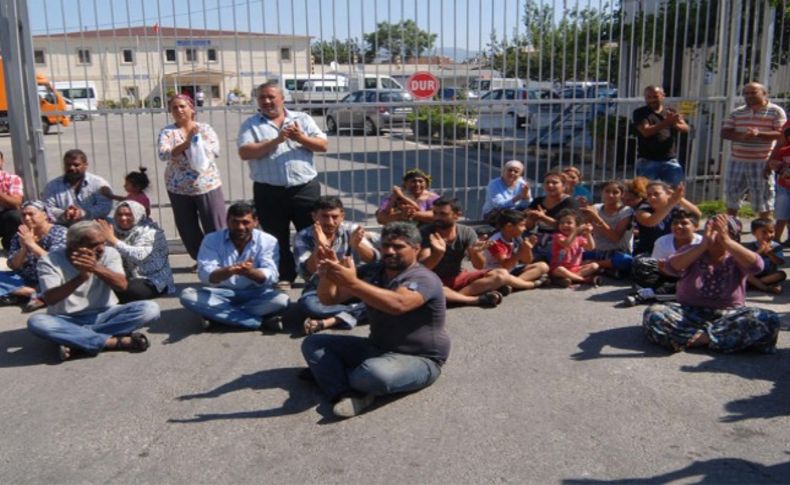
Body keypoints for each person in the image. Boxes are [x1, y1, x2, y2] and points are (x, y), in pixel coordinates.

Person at [301, 222, 449, 419]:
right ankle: (346, 392)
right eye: (386, 245)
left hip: (420, 358)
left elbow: (399, 305)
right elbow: (329, 299)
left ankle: (336, 376)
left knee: (373, 374)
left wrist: (352, 282)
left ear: (416, 249)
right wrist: (328, 272)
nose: (389, 251)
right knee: (314, 343)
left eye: (398, 246)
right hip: (377, 348)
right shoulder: (374, 272)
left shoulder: (423, 277)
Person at [642, 214, 780, 353]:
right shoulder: (692, 250)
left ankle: (702, 338)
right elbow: (672, 267)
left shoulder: (737, 254)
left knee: (768, 319)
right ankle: (724, 338)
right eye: (711, 230)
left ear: (733, 235)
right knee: (654, 313)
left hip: (729, 315)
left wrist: (726, 241)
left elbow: (756, 266)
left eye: (721, 231)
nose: (715, 235)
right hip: (688, 312)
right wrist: (702, 246)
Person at [26, 221, 161, 361]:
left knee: (150, 309)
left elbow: (121, 286)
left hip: (106, 313)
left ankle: (77, 341)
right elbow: (50, 299)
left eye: (103, 242)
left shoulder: (109, 253)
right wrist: (81, 278)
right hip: (66, 319)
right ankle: (112, 342)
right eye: (94, 245)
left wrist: (96, 268)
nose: (101, 248)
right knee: (37, 322)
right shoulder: (49, 260)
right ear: (74, 246)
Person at [237, 81, 328, 288]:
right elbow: (245, 152)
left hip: (304, 188)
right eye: (262, 98)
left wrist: (300, 137)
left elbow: (323, 145)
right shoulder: (251, 124)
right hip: (268, 191)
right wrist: (276, 141)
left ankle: (314, 275)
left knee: (311, 234)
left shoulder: (302, 119)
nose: (267, 101)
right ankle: (284, 275)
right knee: (275, 236)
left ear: (282, 98)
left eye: (271, 97)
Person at [179, 202, 290, 331]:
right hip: (220, 293)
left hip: (256, 293)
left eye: (245, 222)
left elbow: (271, 276)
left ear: (255, 222)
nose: (240, 227)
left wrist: (249, 272)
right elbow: (205, 275)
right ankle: (258, 321)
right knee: (187, 296)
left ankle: (217, 316)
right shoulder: (211, 240)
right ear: (227, 221)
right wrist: (229, 271)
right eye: (235, 222)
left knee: (282, 300)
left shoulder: (268, 241)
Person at [295, 196, 378, 334]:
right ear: (314, 216)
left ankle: (333, 320)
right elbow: (307, 273)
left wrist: (357, 245)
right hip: (320, 284)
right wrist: (319, 245)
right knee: (309, 306)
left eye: (334, 217)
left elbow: (374, 259)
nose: (330, 222)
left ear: (342, 216)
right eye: (324, 216)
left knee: (381, 272)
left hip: (352, 280)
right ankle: (364, 310)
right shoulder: (303, 236)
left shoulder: (351, 229)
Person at [158, 94, 227, 261]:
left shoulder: (205, 129)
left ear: (192, 109)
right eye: (174, 108)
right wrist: (186, 143)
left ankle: (220, 259)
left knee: (216, 224)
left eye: (182, 106)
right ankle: (202, 260)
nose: (179, 110)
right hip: (179, 187)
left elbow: (213, 151)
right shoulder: (168, 132)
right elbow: (164, 154)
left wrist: (193, 143)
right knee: (188, 228)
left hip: (207, 185)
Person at [419, 197, 517, 308]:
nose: (437, 217)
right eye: (435, 213)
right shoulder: (426, 232)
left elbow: (479, 266)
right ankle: (475, 299)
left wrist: (475, 253)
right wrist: (438, 253)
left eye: (443, 214)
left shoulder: (466, 232)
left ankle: (453, 299)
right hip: (434, 280)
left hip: (458, 277)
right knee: (428, 287)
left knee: (501, 274)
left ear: (457, 215)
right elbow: (423, 268)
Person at [721, 82, 787, 219]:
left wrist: (759, 134)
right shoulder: (737, 112)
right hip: (737, 160)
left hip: (761, 161)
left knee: (763, 197)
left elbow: (781, 134)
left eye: (753, 92)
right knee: (732, 196)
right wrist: (743, 136)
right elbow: (725, 132)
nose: (749, 96)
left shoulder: (775, 111)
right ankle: (732, 226)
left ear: (764, 93)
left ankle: (764, 228)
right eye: (746, 93)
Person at [96, 201, 175, 303]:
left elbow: (139, 256)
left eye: (128, 214)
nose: (123, 218)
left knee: (126, 290)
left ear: (138, 215)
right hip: (124, 276)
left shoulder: (152, 232)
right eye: (120, 214)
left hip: (151, 279)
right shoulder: (113, 229)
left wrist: (113, 240)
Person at [625, 209, 703, 307]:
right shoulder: (662, 241)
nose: (678, 226)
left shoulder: (702, 243)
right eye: (675, 223)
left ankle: (652, 294)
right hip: (667, 276)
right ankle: (671, 293)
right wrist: (663, 270)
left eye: (684, 223)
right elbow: (657, 267)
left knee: (694, 284)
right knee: (641, 263)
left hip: (693, 278)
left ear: (696, 227)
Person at [1, 201, 67, 311]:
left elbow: (56, 262)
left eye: (31, 214)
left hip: (53, 278)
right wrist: (23, 249)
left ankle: (17, 293)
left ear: (45, 215)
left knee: (63, 282)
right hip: (26, 278)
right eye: (23, 215)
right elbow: (13, 265)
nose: (26, 218)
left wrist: (31, 244)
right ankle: (31, 292)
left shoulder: (60, 232)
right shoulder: (19, 236)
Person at [632, 85, 690, 186]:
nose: (651, 100)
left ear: (663, 96)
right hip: (647, 160)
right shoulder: (640, 113)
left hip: (669, 159)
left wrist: (674, 123)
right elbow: (646, 131)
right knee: (647, 193)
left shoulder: (671, 111)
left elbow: (686, 128)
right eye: (648, 97)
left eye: (655, 96)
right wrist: (667, 121)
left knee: (675, 192)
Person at [482, 209, 550, 290]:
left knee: (543, 266)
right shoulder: (495, 242)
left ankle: (512, 285)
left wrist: (527, 248)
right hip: (496, 273)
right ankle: (525, 284)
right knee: (503, 276)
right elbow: (505, 265)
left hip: (511, 270)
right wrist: (521, 251)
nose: (524, 228)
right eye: (522, 225)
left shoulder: (516, 237)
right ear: (509, 226)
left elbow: (527, 261)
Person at [42, 149, 112, 226]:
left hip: (93, 227)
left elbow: (105, 206)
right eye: (68, 165)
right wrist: (64, 214)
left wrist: (83, 214)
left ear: (86, 165)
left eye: (76, 165)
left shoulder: (99, 184)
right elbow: (47, 208)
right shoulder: (52, 186)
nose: (71, 168)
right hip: (64, 228)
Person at [580, 179, 634, 276]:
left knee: (624, 260)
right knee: (564, 254)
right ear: (602, 193)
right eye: (607, 191)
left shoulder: (626, 211)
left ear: (622, 195)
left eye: (615, 192)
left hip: (616, 253)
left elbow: (615, 238)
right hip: (597, 252)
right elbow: (582, 228)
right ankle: (603, 269)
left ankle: (595, 265)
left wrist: (597, 218)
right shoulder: (596, 208)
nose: (610, 195)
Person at [633, 182, 701, 256]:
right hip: (647, 254)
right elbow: (650, 222)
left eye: (656, 194)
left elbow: (696, 214)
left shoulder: (675, 209)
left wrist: (679, 198)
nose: (652, 197)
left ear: (668, 194)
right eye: (649, 195)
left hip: (672, 252)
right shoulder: (642, 210)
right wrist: (672, 202)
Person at [525, 171, 578, 261]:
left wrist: (543, 217)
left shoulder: (569, 202)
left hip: (561, 238)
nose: (550, 185)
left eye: (554, 183)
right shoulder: (538, 201)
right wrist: (531, 219)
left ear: (564, 185)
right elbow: (528, 227)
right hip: (540, 236)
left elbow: (568, 227)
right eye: (547, 182)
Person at [549, 209, 600, 287]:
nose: (565, 225)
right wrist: (575, 231)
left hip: (574, 268)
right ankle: (584, 280)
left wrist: (588, 233)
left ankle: (569, 279)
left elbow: (591, 247)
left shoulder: (579, 238)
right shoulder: (558, 236)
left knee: (594, 265)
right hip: (559, 268)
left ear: (577, 225)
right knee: (560, 270)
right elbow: (566, 243)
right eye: (562, 223)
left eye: (569, 223)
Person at [376, 168, 441, 226]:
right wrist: (400, 215)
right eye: (413, 181)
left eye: (421, 181)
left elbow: (438, 216)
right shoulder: (395, 196)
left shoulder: (433, 198)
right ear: (405, 183)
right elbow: (381, 219)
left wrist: (413, 214)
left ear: (426, 184)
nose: (417, 184)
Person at [744, 218, 786, 294]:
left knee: (781, 274)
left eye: (771, 232)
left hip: (768, 276)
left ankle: (756, 285)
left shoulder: (776, 246)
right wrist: (760, 251)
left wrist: (770, 254)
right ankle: (765, 288)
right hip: (753, 275)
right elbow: (748, 261)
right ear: (754, 233)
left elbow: (780, 262)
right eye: (764, 232)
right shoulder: (750, 246)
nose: (768, 235)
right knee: (746, 275)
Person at [768, 120, 790, 245]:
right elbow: (774, 163)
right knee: (782, 213)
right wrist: (780, 169)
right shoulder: (783, 151)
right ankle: (776, 239)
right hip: (784, 186)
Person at [0, 151, 23, 251]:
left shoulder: (12, 179)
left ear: (2, 161)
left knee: (15, 216)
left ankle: (9, 243)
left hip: (3, 218)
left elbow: (16, 203)